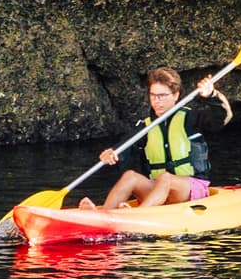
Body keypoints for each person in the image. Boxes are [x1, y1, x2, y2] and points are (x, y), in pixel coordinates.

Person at [94, 64, 227, 209]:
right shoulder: (145, 126)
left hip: (190, 189)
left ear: (175, 95)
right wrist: (113, 153)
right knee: (130, 176)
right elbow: (125, 146)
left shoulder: (191, 118)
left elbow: (221, 118)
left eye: (162, 96)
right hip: (158, 189)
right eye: (153, 95)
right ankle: (104, 214)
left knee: (165, 178)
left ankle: (140, 214)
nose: (157, 101)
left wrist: (212, 95)